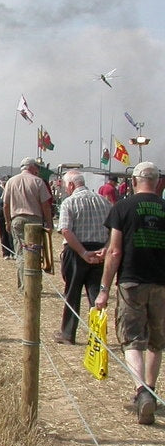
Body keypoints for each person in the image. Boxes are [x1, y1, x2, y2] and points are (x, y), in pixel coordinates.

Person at [94, 162, 165, 425]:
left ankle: (141, 392)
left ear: (134, 181)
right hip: (161, 285)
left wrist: (103, 289)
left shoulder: (122, 208)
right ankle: (152, 388)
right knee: (157, 342)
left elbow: (114, 251)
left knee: (132, 340)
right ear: (158, 183)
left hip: (131, 283)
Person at [54, 171, 110, 345]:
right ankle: (98, 335)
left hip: (77, 250)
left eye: (65, 186)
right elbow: (113, 230)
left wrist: (83, 252)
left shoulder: (69, 202)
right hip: (99, 251)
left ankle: (68, 333)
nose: (65, 189)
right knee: (96, 294)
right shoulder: (104, 202)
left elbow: (66, 230)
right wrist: (105, 249)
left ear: (71, 185)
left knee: (72, 292)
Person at [2, 157, 53, 288]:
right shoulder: (38, 182)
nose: (38, 169)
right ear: (31, 167)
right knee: (35, 253)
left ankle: (24, 285)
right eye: (37, 166)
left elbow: (5, 205)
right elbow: (45, 205)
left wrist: (8, 222)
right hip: (35, 221)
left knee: (20, 253)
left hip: (17, 220)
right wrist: (49, 223)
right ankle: (35, 285)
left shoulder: (11, 181)